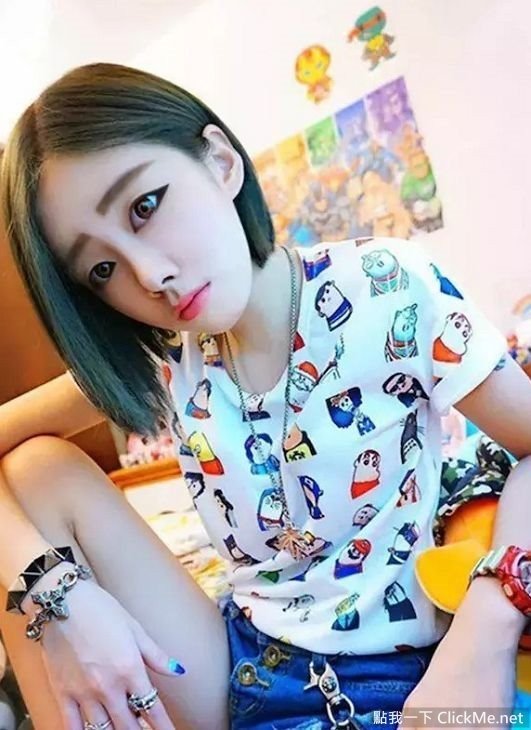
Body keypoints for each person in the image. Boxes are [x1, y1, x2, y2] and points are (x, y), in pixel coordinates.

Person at [0, 62, 530, 730]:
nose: (151, 275)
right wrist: (54, 592)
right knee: (34, 471)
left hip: (408, 671)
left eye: (145, 207)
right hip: (242, 665)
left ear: (220, 162)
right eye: (102, 269)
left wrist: (487, 626)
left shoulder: (388, 287)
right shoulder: (168, 359)